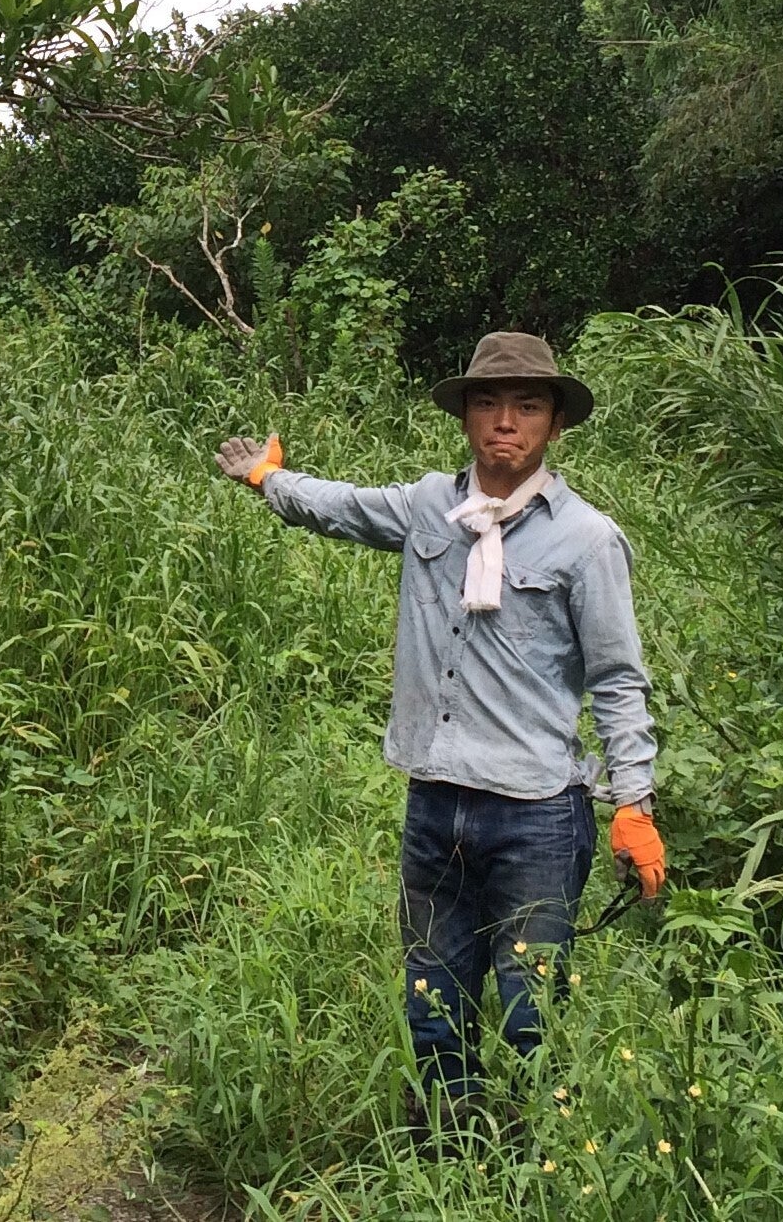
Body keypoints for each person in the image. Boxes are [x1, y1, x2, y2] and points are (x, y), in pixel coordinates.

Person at [214, 329, 663, 1117]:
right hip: (434, 802)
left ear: (553, 425)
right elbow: (342, 507)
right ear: (463, 416)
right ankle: (445, 1150)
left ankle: (531, 1167)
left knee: (531, 1013)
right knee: (432, 1000)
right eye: (487, 402)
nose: (504, 421)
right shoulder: (430, 507)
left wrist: (634, 803)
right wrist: (267, 479)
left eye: (527, 406)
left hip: (536, 817)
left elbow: (617, 681)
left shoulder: (586, 541)